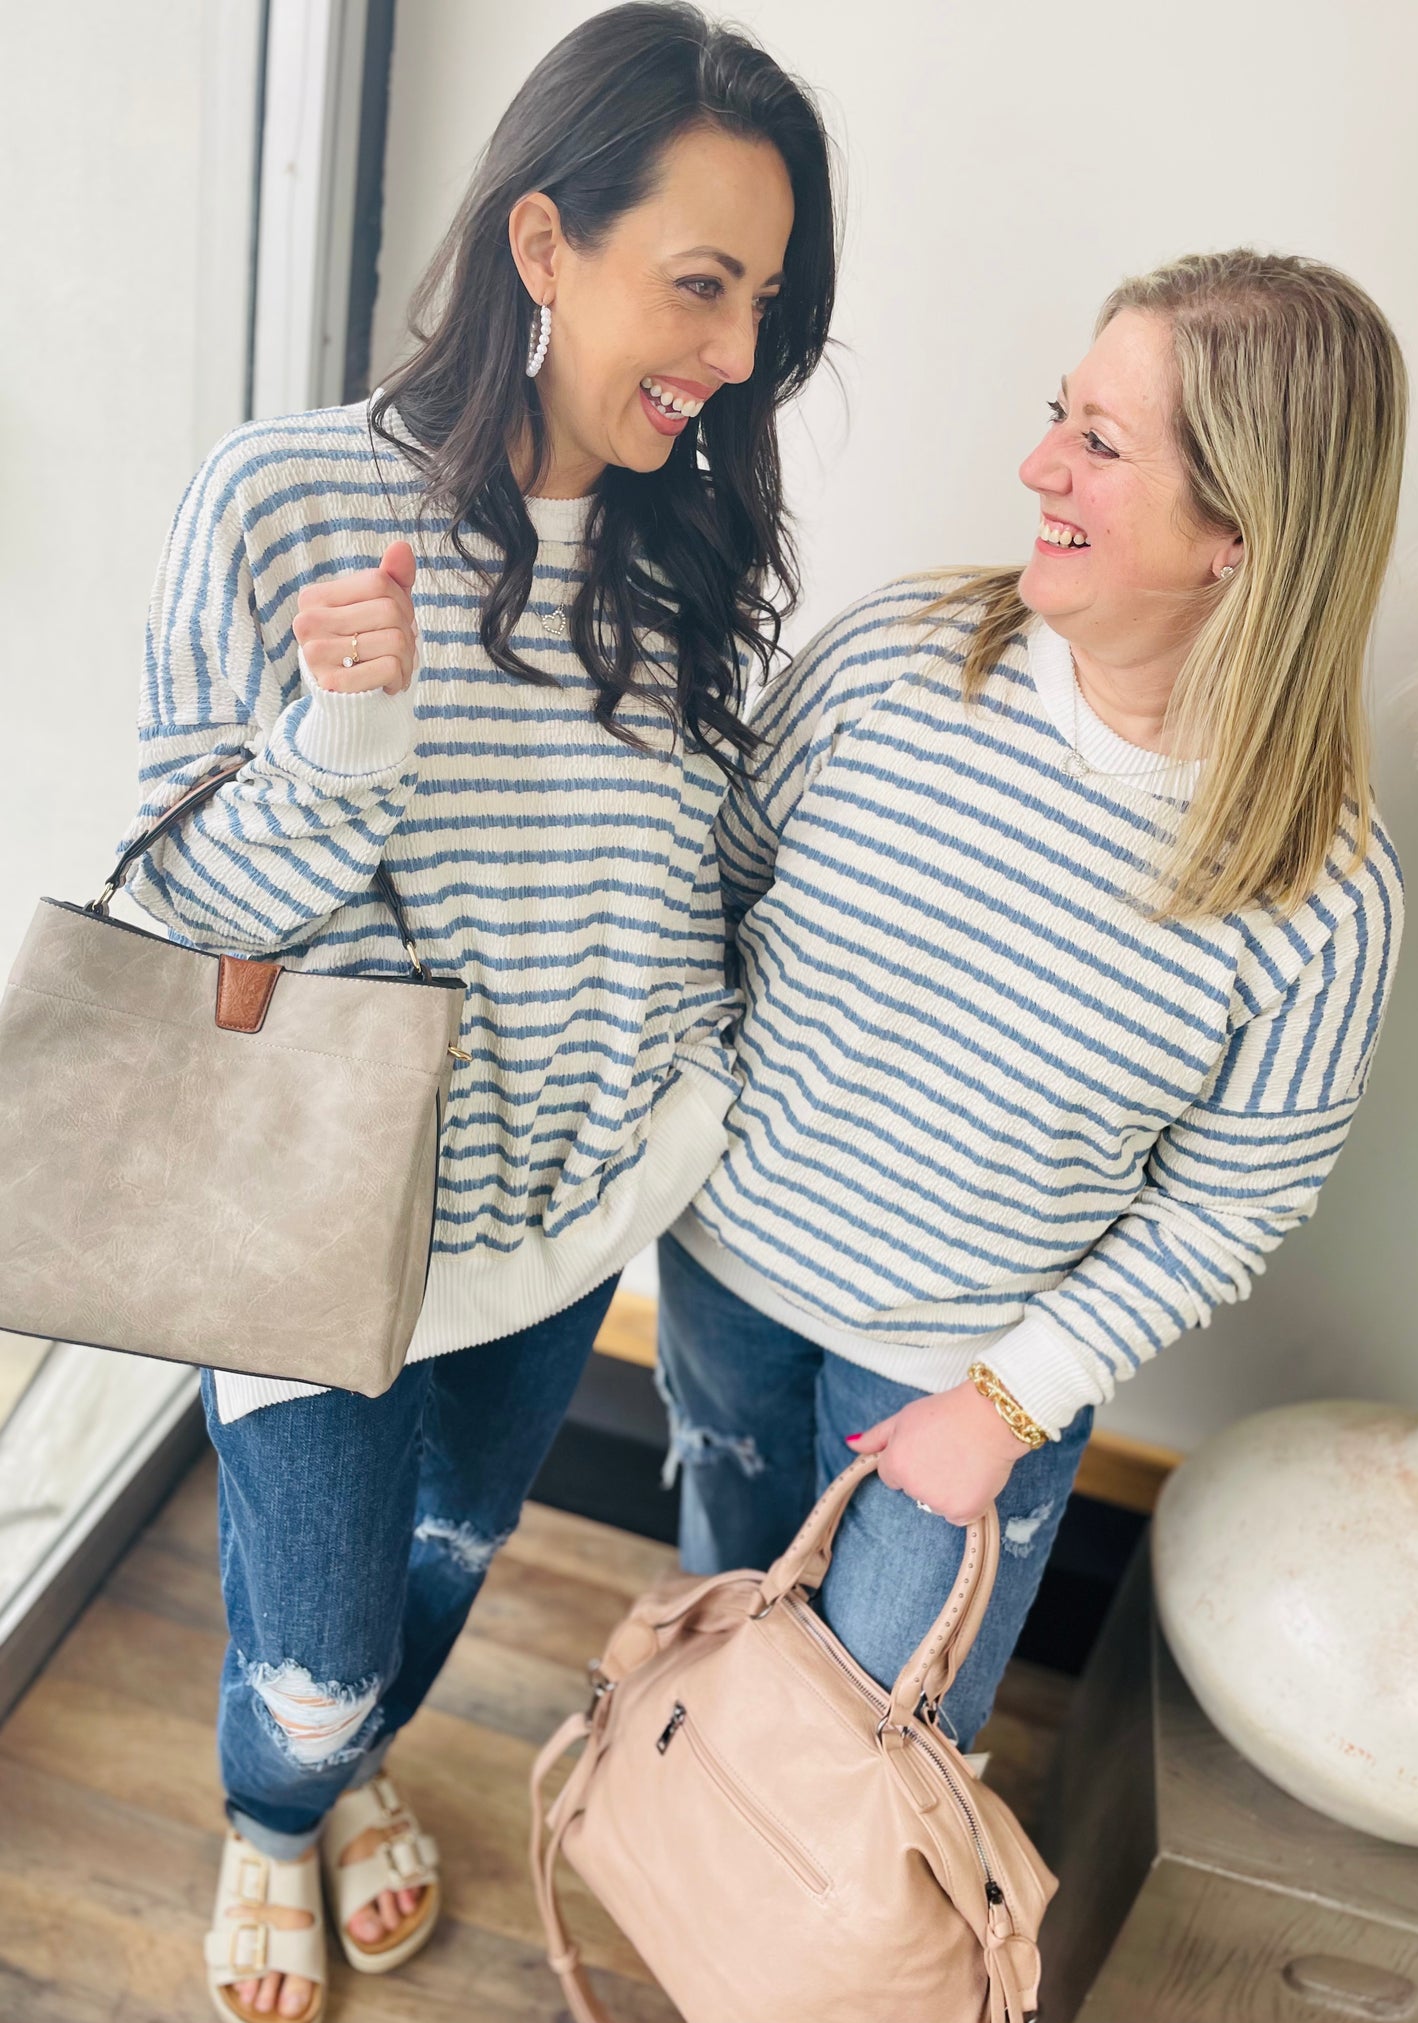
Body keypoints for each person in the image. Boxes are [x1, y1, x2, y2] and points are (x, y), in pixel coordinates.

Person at [125, 8, 836, 2017]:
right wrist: (341, 742)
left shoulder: (685, 558)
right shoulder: (276, 501)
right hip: (307, 1227)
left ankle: (333, 1786)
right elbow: (187, 921)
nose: (728, 350)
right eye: (696, 281)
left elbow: (691, 891)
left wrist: (684, 1090)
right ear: (543, 245)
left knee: (437, 1575)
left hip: (559, 1215)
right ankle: (276, 1813)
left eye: (761, 303)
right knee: (324, 1640)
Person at [658, 248, 1406, 1754]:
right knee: (723, 1623)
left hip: (960, 1382)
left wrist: (1004, 1409)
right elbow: (708, 898)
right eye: (1057, 412)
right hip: (723, 1276)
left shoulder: (1325, 894)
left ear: (1239, 538)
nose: (1035, 463)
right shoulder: (891, 663)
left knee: (878, 1757)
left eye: (1101, 443)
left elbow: (1228, 1203)